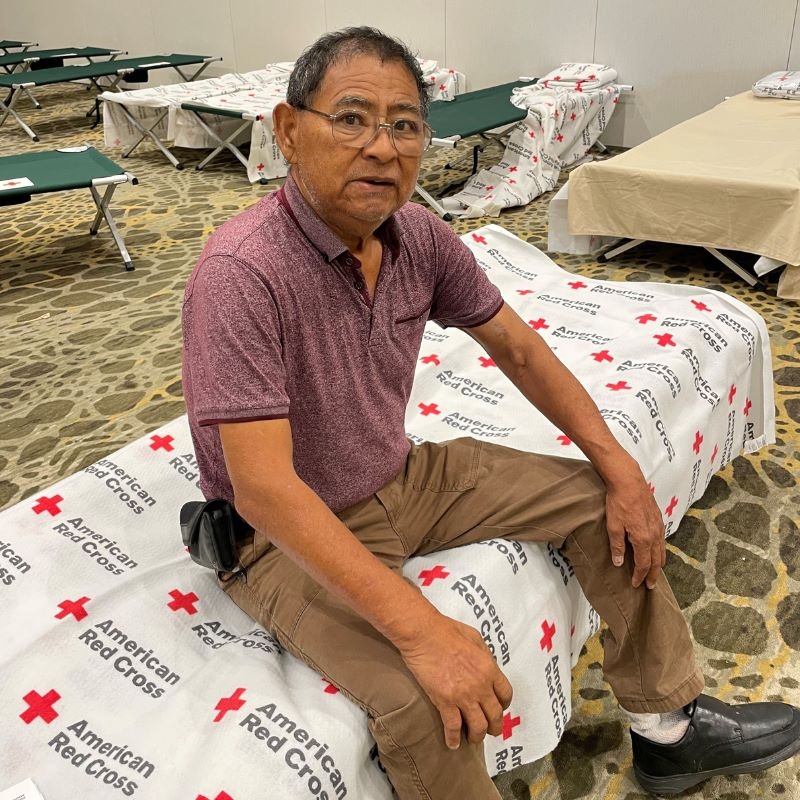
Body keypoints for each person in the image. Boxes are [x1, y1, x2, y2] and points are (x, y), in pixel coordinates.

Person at [181, 26, 800, 799]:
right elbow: (265, 488)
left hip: (399, 474)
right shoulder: (242, 273)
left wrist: (622, 469)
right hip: (282, 532)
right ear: (288, 129)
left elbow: (521, 350)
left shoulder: (417, 237)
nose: (382, 146)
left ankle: (668, 731)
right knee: (420, 696)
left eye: (405, 124)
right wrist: (423, 628)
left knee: (597, 499)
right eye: (351, 117)